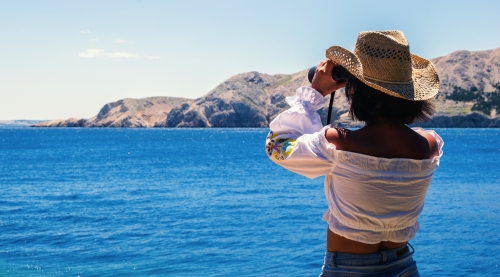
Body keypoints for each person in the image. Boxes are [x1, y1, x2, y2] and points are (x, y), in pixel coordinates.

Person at [265, 30, 443, 276]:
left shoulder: (338, 144)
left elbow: (276, 146)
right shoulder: (430, 145)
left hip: (348, 269)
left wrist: (313, 98)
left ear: (354, 90)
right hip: (404, 266)